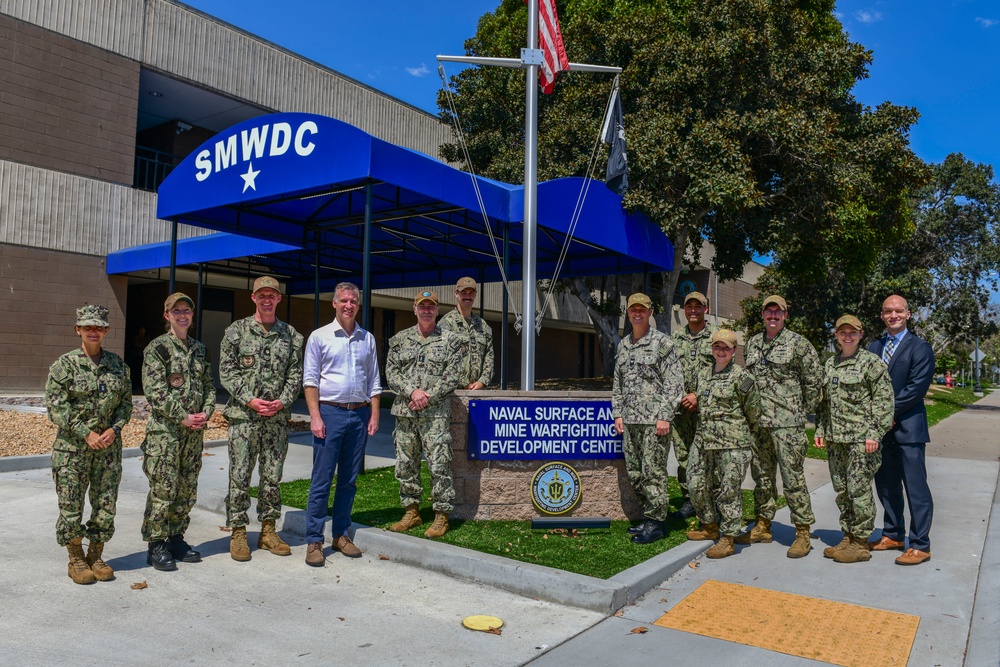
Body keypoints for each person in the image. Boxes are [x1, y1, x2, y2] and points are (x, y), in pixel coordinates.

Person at [45, 304, 133, 584]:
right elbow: (56, 407)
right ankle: (76, 558)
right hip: (72, 451)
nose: (93, 331)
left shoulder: (118, 366)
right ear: (78, 330)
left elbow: (126, 404)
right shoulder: (64, 365)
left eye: (98, 327)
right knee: (71, 505)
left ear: (106, 330)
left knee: (105, 504)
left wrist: (115, 428)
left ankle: (95, 555)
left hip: (107, 450)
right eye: (87, 327)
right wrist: (85, 432)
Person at [220, 276, 304, 562]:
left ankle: (268, 530)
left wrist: (282, 400)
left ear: (279, 299)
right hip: (244, 417)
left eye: (272, 295)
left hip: (276, 419)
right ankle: (239, 531)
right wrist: (250, 399)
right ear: (253, 298)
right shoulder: (236, 332)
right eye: (261, 295)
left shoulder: (291, 335)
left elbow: (296, 374)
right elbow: (227, 372)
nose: (267, 299)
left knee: (272, 476)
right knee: (240, 475)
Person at [302, 282, 382, 566]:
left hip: (359, 415)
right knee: (322, 479)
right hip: (330, 413)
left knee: (348, 481)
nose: (349, 305)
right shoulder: (319, 337)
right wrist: (315, 417)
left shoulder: (367, 339)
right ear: (334, 303)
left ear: (358, 305)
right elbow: (310, 380)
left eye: (353, 301)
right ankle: (314, 540)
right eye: (344, 300)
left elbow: (374, 380)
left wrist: (374, 414)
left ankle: (340, 534)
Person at [741, 294, 822, 558]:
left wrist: (801, 410)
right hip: (759, 424)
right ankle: (763, 525)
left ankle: (802, 532)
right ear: (762, 315)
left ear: (785, 315)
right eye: (769, 311)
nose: (773, 315)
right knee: (762, 477)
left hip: (788, 425)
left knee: (793, 479)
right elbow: (748, 380)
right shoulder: (752, 344)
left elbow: (814, 380)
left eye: (779, 311)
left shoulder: (798, 344)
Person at [141, 292, 216, 571]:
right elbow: (155, 392)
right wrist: (183, 416)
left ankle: (176, 537)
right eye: (176, 311)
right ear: (167, 315)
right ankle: (156, 544)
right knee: (163, 487)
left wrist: (206, 412)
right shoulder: (158, 349)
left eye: (187, 310)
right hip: (166, 434)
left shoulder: (199, 349)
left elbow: (209, 386)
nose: (182, 315)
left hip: (193, 433)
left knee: (186, 487)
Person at [814, 315, 894, 563]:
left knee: (859, 490)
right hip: (837, 439)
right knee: (842, 489)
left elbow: (884, 401)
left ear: (861, 335)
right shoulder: (830, 365)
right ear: (836, 335)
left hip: (861, 440)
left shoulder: (871, 363)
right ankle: (847, 536)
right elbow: (823, 403)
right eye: (842, 332)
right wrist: (820, 430)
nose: (847, 336)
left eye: (853, 332)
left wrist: (874, 433)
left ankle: (860, 543)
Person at [385, 290, 464, 538]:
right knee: (406, 464)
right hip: (406, 413)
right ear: (414, 309)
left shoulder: (451, 340)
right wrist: (412, 392)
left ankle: (441, 516)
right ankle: (412, 512)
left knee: (440, 464)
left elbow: (453, 375)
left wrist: (427, 395)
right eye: (422, 306)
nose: (426, 310)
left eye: (431, 306)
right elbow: (391, 373)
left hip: (435, 415)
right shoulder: (399, 340)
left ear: (437, 310)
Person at [867, 295, 936, 566]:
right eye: (888, 311)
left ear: (908, 314)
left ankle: (920, 544)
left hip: (909, 428)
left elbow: (916, 388)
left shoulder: (920, 348)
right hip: (883, 432)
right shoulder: (873, 347)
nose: (893, 315)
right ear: (882, 315)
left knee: (916, 488)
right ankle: (893, 534)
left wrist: (887, 413)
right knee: (886, 485)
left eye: (898, 311)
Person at [612, 293, 684, 545]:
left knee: (652, 472)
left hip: (655, 423)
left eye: (642, 309)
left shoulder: (663, 344)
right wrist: (618, 413)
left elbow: (674, 384)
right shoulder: (624, 345)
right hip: (630, 421)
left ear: (650, 312)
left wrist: (665, 417)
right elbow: (617, 383)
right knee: (634, 473)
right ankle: (649, 515)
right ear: (628, 313)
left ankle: (657, 522)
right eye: (633, 309)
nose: (637, 313)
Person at [684, 329, 760, 559]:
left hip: (732, 444)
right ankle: (709, 525)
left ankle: (728, 538)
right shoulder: (703, 373)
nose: (721, 351)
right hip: (704, 440)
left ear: (734, 350)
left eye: (726, 347)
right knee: (695, 483)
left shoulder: (742, 377)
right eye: (717, 346)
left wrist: (746, 442)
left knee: (729, 491)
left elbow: (754, 411)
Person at [670, 291, 717, 519]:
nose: (693, 310)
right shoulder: (675, 339)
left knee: (707, 454)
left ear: (705, 309)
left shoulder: (717, 338)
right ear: (685, 310)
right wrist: (681, 396)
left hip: (707, 409)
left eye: (698, 306)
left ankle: (710, 497)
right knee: (684, 455)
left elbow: (722, 372)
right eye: (689, 306)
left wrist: (698, 395)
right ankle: (689, 499)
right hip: (681, 410)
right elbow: (669, 372)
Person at [438, 276, 494, 390]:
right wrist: (464, 383)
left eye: (471, 293)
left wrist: (482, 382)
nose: (467, 296)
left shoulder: (482, 325)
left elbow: (489, 357)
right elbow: (442, 357)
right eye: (464, 293)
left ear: (475, 294)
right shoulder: (446, 324)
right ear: (456, 293)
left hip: (478, 391)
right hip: (453, 392)